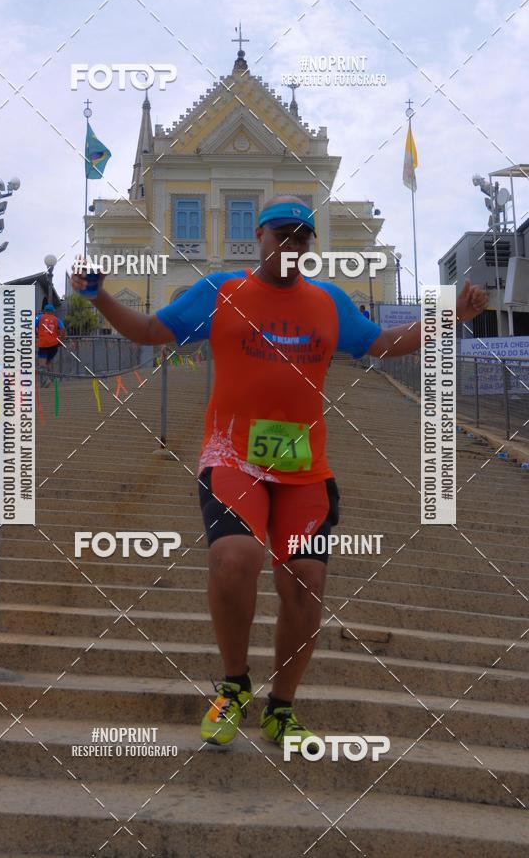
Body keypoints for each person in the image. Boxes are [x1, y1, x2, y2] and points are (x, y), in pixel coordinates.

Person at [70, 195, 488, 752]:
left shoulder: (328, 302)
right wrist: (97, 296)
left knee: (306, 584)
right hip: (233, 457)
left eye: (302, 237)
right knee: (234, 558)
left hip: (302, 467)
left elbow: (384, 345)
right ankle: (235, 682)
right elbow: (148, 331)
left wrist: (450, 316)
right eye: (281, 234)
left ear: (310, 248)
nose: (291, 245)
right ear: (259, 238)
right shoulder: (223, 291)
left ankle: (281, 707)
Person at [35, 304, 65, 387]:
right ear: (53, 312)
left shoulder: (39, 317)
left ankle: (45, 382)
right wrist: (60, 341)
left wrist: (36, 333)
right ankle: (50, 380)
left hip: (43, 344)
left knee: (42, 365)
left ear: (44, 311)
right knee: (47, 363)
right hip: (54, 345)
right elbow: (62, 329)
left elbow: (32, 325)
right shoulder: (56, 319)